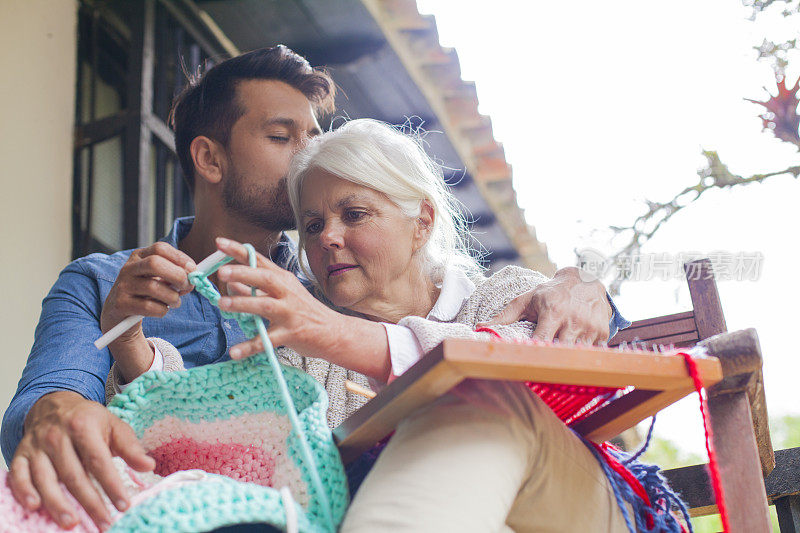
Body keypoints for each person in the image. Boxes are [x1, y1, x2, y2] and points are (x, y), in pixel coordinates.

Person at [2, 47, 628, 531]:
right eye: (284, 137)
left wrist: (588, 289)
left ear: (421, 221)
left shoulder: (337, 294)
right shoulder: (106, 283)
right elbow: (52, 405)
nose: (312, 151)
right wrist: (96, 368)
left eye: (317, 135)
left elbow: (553, 333)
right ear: (210, 159)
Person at [114, 118, 632, 531]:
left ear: (422, 223)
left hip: (559, 508)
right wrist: (128, 335)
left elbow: (522, 365)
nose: (327, 239)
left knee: (480, 400)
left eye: (354, 214)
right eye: (312, 225)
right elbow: (208, 425)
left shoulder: (503, 296)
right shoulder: (299, 356)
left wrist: (338, 336)